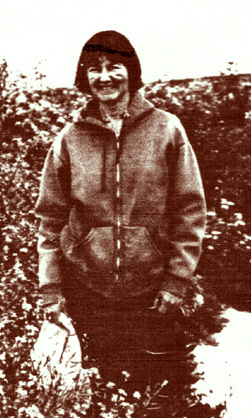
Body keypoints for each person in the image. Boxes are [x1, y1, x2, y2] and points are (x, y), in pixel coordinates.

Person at [33, 30, 207, 398]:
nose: (104, 76)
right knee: (104, 385)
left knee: (161, 389)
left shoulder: (166, 129)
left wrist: (177, 280)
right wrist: (51, 288)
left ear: (131, 71)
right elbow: (50, 219)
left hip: (152, 290)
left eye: (114, 66)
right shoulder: (69, 138)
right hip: (89, 290)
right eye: (94, 69)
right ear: (84, 77)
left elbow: (190, 210)